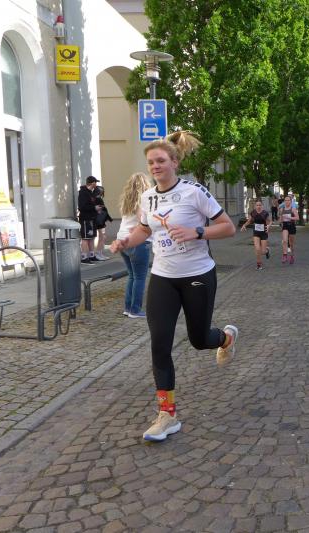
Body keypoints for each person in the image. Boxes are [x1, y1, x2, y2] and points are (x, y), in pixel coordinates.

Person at [109, 131, 238, 442]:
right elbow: (144, 230)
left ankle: (226, 338)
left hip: (197, 275)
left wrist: (197, 232)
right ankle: (166, 415)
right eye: (150, 162)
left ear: (175, 162)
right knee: (160, 343)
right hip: (163, 277)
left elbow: (228, 227)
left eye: (160, 161)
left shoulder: (195, 192)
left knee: (198, 339)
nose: (155, 166)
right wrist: (126, 242)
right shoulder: (147, 197)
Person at [116, 173, 153, 318]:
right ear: (145, 185)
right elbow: (143, 221)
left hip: (122, 240)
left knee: (132, 276)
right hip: (137, 242)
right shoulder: (143, 200)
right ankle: (135, 310)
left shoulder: (127, 201)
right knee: (139, 277)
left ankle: (128, 308)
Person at [240, 200, 271, 270]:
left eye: (260, 205)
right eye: (257, 205)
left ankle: (267, 250)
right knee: (257, 249)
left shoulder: (265, 213)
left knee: (263, 251)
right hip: (256, 233)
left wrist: (268, 226)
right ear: (255, 206)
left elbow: (270, 221)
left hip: (264, 233)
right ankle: (259, 264)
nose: (258, 206)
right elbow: (249, 221)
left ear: (262, 206)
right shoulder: (253, 212)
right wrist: (244, 225)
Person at [78, 176, 101, 263]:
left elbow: (91, 204)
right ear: (92, 183)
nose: (96, 184)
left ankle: (92, 256)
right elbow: (82, 207)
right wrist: (94, 208)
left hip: (92, 218)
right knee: (85, 238)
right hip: (85, 219)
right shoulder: (83, 193)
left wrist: (97, 208)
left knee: (92, 238)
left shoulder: (91, 193)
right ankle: (84, 257)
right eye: (95, 182)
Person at [93, 185, 113, 261]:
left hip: (98, 220)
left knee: (102, 237)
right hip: (100, 221)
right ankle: (98, 254)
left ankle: (100, 253)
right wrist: (109, 218)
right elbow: (103, 210)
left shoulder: (94, 199)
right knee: (102, 237)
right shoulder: (98, 199)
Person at [279, 195, 298, 264]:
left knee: (291, 243)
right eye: (285, 200)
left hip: (292, 226)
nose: (287, 201)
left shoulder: (293, 209)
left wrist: (289, 218)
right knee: (284, 240)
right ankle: (285, 255)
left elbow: (297, 218)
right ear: (284, 201)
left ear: (291, 201)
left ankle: (292, 255)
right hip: (285, 226)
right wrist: (281, 221)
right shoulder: (282, 209)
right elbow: (280, 218)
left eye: (288, 200)